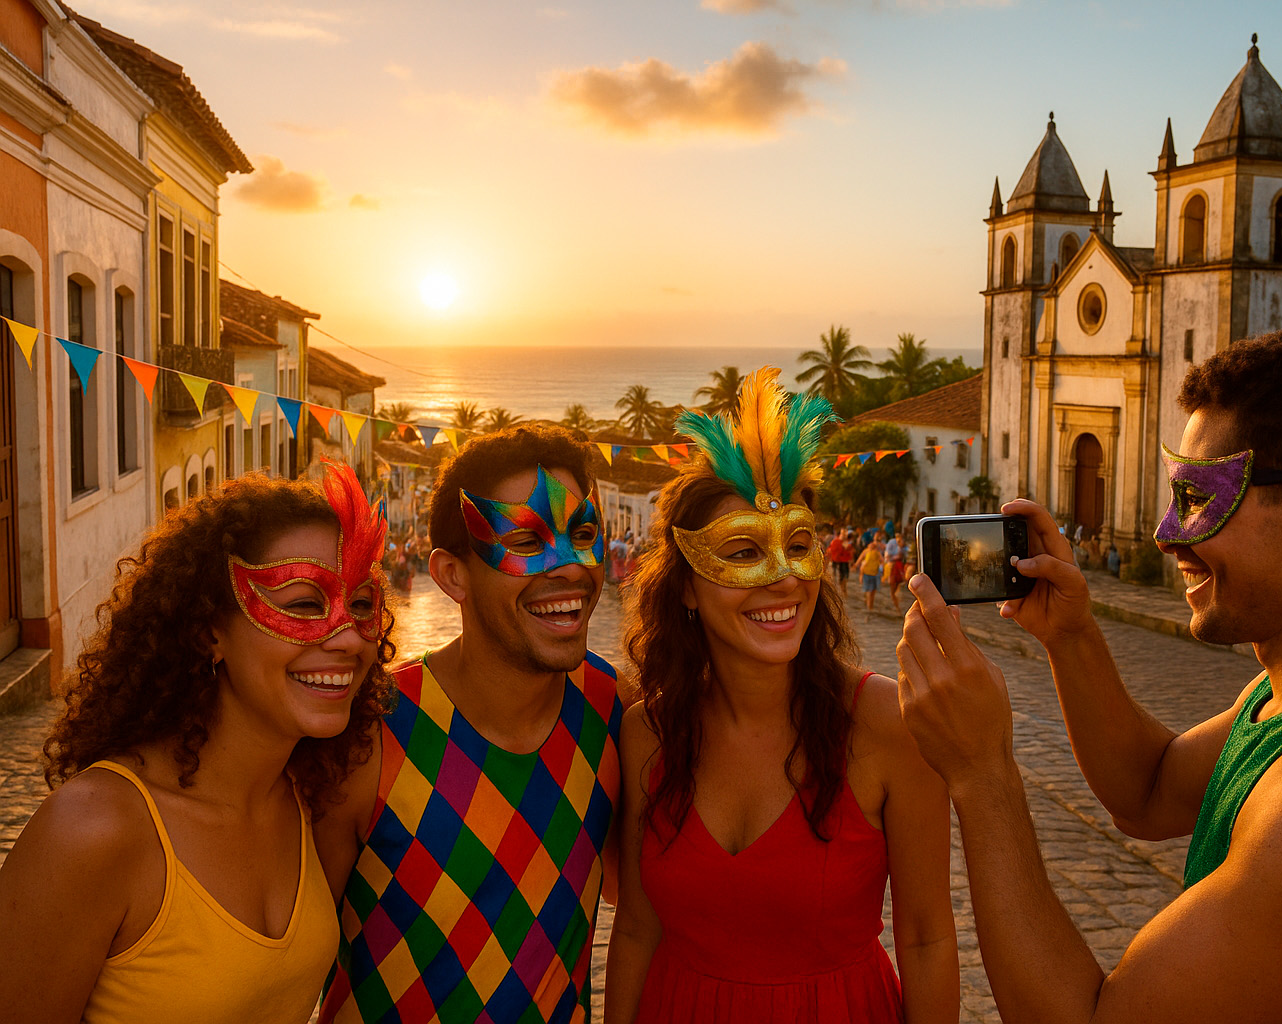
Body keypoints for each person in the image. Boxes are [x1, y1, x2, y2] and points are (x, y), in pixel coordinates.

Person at [896, 326, 1282, 1023]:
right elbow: (1149, 791)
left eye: (1195, 499)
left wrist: (983, 772)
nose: (1165, 533)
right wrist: (1071, 637)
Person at [605, 368, 958, 1023]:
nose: (784, 580)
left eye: (799, 547)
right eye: (742, 553)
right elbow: (634, 930)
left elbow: (929, 939)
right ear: (685, 585)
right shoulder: (645, 735)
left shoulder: (888, 726)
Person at [0, 464, 395, 1023]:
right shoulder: (94, 831)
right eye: (304, 604)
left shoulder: (311, 803)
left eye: (360, 605)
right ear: (210, 629)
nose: (350, 637)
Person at [315, 425, 626, 1024]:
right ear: (453, 575)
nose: (569, 568)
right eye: (526, 543)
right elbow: (296, 963)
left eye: (582, 534)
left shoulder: (612, 708)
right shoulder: (369, 733)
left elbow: (636, 902)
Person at [856, 531, 885, 611]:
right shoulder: (867, 551)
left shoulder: (876, 551)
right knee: (870, 591)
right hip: (868, 573)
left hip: (873, 573)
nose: (872, 544)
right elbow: (859, 560)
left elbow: (882, 561)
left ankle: (870, 605)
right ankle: (869, 606)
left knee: (871, 591)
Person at [885, 529, 908, 610]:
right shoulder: (892, 543)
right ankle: (895, 604)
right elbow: (888, 555)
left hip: (900, 565)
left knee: (898, 584)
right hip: (894, 565)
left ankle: (896, 604)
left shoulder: (903, 546)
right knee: (893, 587)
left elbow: (905, 554)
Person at [827, 527, 853, 597]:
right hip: (835, 562)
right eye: (843, 533)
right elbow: (829, 550)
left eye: (845, 533)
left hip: (843, 562)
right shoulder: (835, 541)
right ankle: (839, 593)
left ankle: (843, 592)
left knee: (844, 578)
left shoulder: (846, 543)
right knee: (835, 578)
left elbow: (849, 554)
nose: (844, 535)